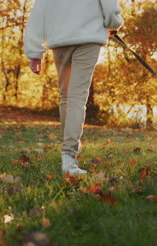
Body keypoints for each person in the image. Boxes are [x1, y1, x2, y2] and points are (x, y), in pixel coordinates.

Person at [24, 0, 124, 175]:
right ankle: (69, 156)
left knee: (66, 97)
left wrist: (34, 52)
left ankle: (69, 150)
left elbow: (38, 13)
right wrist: (112, 24)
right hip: (88, 38)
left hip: (60, 40)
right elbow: (109, 6)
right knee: (76, 97)